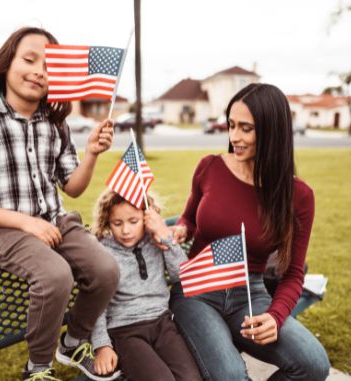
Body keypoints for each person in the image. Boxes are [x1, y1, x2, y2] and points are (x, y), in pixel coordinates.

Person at [0, 27, 120, 381]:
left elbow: (72, 188)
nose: (39, 70)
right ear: (7, 63)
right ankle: (37, 368)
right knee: (55, 276)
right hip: (2, 228)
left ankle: (72, 343)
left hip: (53, 220)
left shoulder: (55, 124)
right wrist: (25, 223)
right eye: (29, 59)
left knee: (106, 270)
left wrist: (91, 154)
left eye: (48, 65)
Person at [168, 83, 331, 381]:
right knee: (230, 375)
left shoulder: (298, 196)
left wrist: (275, 316)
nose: (234, 137)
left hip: (249, 295)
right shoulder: (210, 167)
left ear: (271, 133)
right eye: (231, 125)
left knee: (314, 364)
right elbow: (189, 219)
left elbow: (293, 274)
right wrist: (181, 229)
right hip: (197, 292)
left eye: (246, 128)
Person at [89, 190, 202, 381]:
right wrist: (102, 345)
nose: (125, 230)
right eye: (117, 223)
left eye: (133, 221)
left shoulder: (155, 240)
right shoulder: (102, 252)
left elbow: (181, 275)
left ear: (146, 217)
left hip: (162, 324)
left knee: (192, 378)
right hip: (125, 330)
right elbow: (96, 303)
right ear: (107, 222)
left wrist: (166, 238)